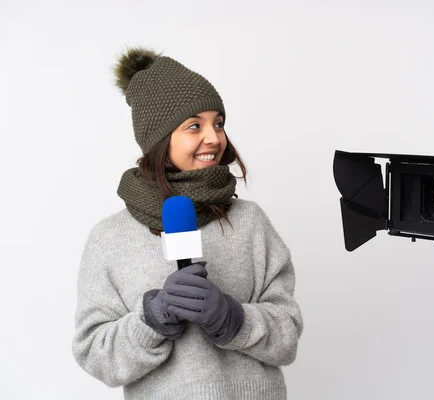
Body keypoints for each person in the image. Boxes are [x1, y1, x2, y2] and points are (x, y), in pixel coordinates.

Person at [71, 46, 303, 400]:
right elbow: (94, 353)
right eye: (195, 125)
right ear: (159, 140)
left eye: (218, 123)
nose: (214, 138)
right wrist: (151, 319)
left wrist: (234, 319)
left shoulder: (250, 223)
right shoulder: (109, 239)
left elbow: (287, 335)